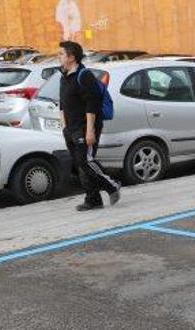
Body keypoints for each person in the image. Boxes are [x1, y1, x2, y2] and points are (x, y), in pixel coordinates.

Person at [58, 40, 120, 211]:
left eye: (61, 54)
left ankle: (112, 185)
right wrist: (65, 127)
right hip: (70, 128)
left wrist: (90, 130)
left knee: (86, 161)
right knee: (80, 165)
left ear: (71, 57)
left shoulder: (84, 75)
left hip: (85, 127)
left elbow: (92, 104)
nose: (59, 57)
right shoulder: (64, 76)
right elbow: (63, 103)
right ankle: (93, 199)